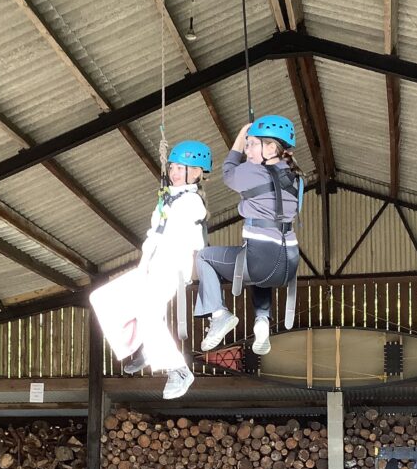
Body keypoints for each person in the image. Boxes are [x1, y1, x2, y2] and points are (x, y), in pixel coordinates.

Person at [194, 116, 302, 356]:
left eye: (252, 144)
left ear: (271, 148)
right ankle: (262, 320)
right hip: (289, 262)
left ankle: (219, 314)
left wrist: (240, 134)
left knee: (204, 257)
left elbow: (228, 171)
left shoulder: (253, 172)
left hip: (261, 259)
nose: (246, 149)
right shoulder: (295, 177)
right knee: (256, 269)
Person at [124, 140, 211, 400]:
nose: (173, 172)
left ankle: (178, 370)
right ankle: (148, 348)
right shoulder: (170, 197)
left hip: (171, 265)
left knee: (148, 314)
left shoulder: (192, 201)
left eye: (180, 168)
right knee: (142, 312)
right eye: (172, 167)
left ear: (196, 172)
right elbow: (154, 233)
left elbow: (178, 238)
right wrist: (144, 265)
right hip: (155, 264)